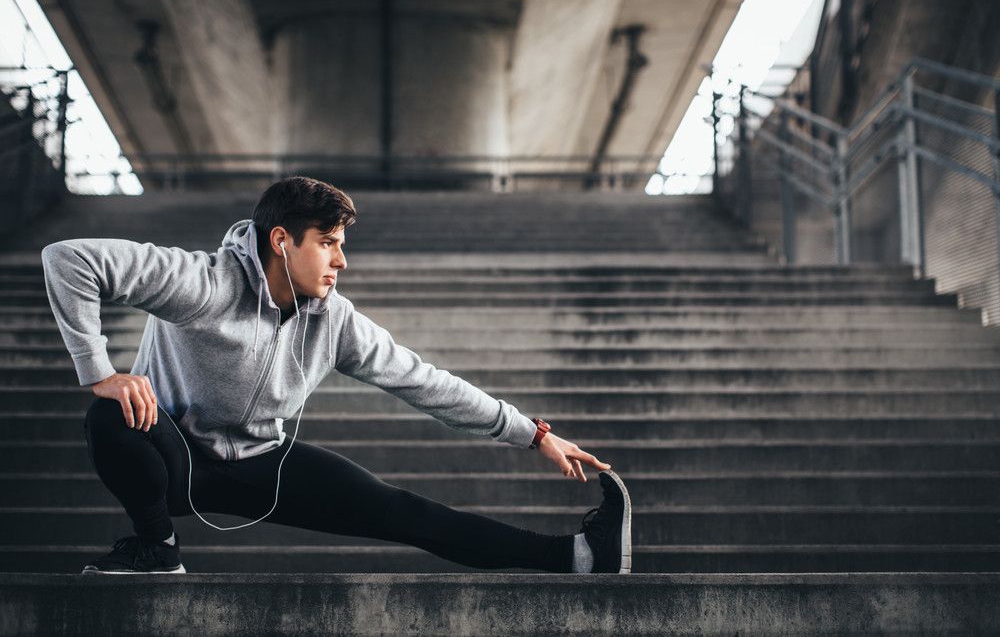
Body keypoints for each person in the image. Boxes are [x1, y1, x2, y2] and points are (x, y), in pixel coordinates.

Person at [40, 176, 632, 575]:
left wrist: (532, 432)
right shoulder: (203, 283)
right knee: (110, 414)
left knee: (405, 512)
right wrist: (100, 372)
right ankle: (155, 547)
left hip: (261, 463)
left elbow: (425, 382)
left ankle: (578, 556)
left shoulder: (334, 321)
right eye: (328, 244)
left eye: (341, 244)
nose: (341, 260)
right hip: (170, 458)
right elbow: (69, 260)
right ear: (281, 241)